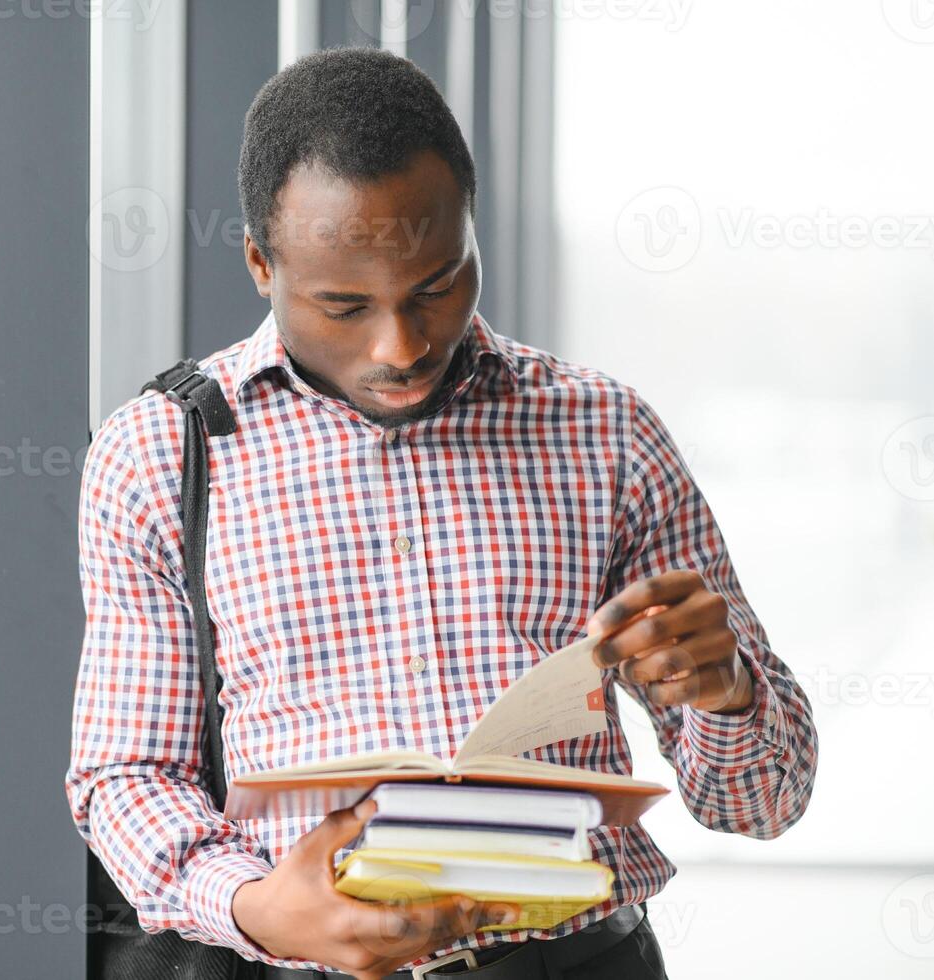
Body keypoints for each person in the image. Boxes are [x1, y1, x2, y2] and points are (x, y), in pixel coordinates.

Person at [67, 47, 817, 980]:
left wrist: (725, 691)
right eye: (344, 305)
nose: (402, 344)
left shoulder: (604, 430)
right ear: (261, 263)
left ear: (471, 234)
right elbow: (126, 777)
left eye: (436, 285)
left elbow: (762, 803)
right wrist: (254, 906)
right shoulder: (159, 452)